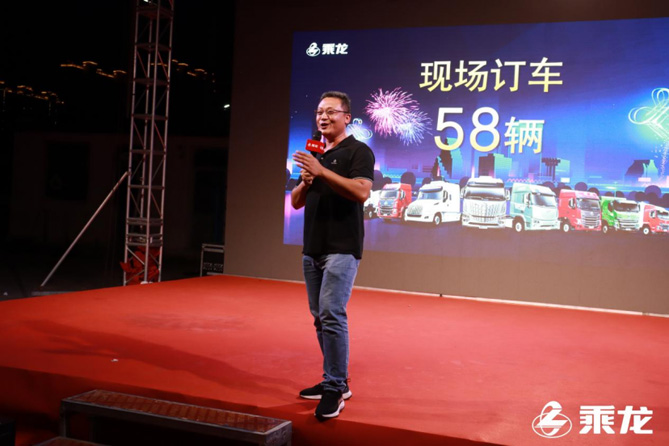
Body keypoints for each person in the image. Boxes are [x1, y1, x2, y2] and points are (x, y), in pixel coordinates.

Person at [291, 91, 375, 419]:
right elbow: (296, 201)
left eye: (330, 112)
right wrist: (306, 181)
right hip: (313, 246)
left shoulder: (358, 151)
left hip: (342, 247)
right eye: (318, 112)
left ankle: (335, 387)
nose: (323, 117)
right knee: (319, 316)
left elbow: (362, 192)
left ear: (346, 117)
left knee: (331, 313)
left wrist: (322, 172)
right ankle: (336, 380)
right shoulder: (314, 153)